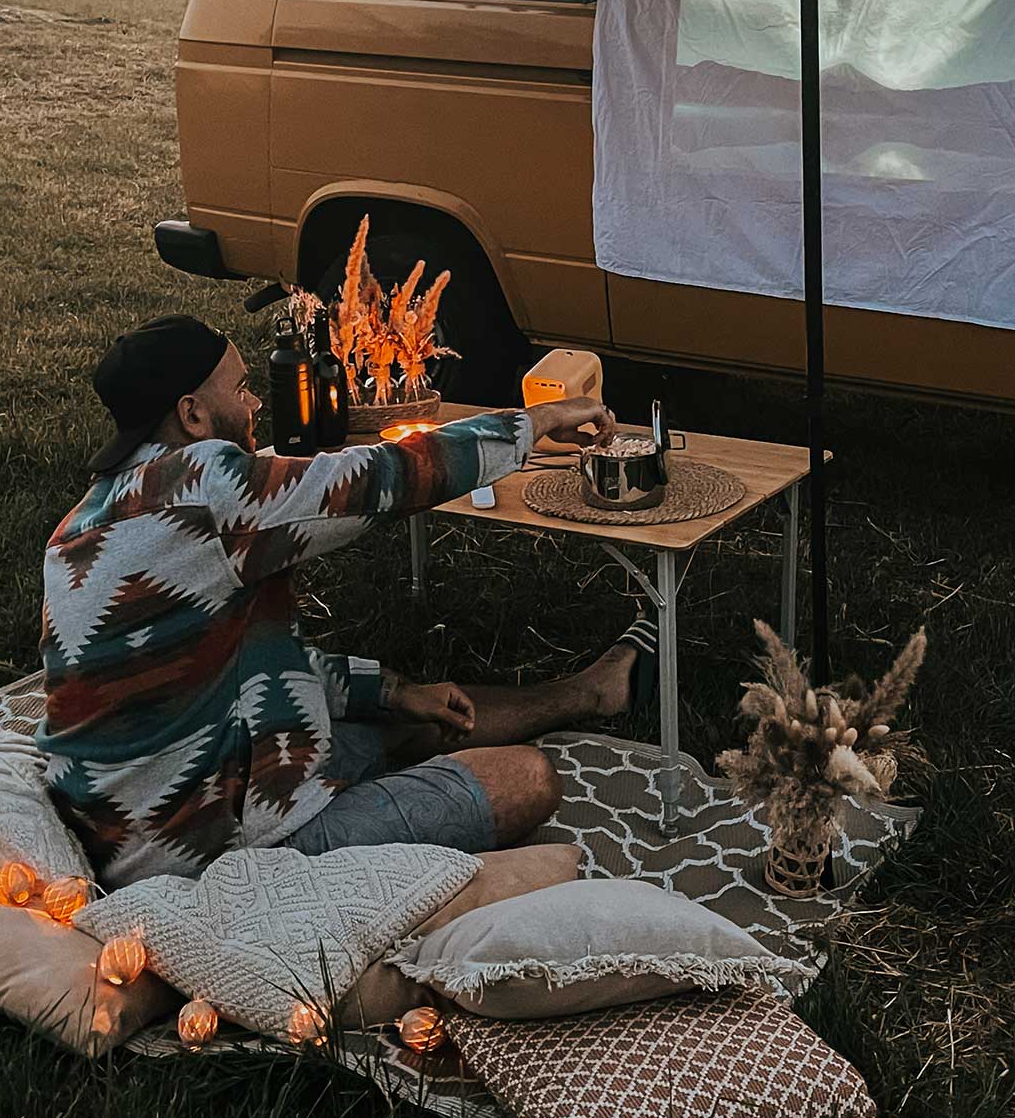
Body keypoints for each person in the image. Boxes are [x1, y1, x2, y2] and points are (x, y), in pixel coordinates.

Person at [38, 313, 643, 886]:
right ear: (192, 414)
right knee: (528, 780)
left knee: (422, 716)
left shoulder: (83, 525)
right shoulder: (202, 490)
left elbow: (235, 663)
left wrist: (388, 691)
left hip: (167, 796)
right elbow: (376, 480)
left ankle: (585, 692)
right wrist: (533, 423)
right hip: (209, 844)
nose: (254, 404)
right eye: (243, 389)